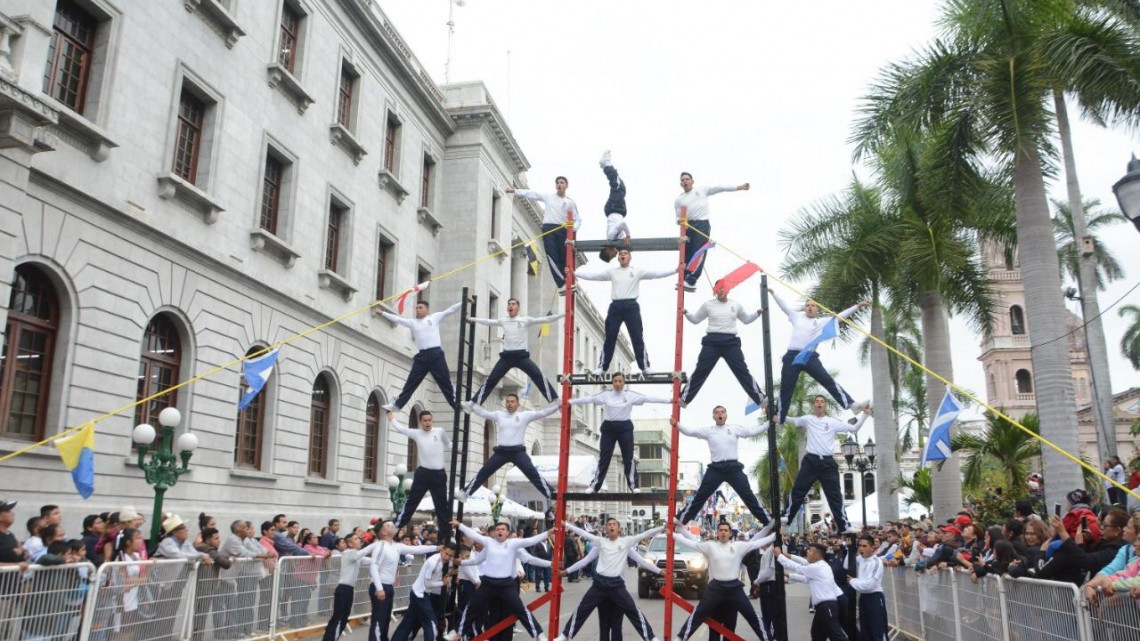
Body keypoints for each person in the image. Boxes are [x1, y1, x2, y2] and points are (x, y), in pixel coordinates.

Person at [769, 288, 869, 424]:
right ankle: (780, 416)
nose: (810, 307)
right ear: (805, 308)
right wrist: (772, 292)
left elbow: (840, 317)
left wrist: (857, 306)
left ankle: (852, 405)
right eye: (808, 305)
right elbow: (783, 306)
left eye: (813, 305)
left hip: (809, 356)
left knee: (827, 380)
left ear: (817, 310)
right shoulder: (796, 317)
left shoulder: (822, 322)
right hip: (792, 356)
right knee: (786, 387)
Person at [553, 519, 663, 641]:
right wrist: (566, 571)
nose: (611, 526)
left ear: (619, 529)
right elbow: (583, 537)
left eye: (614, 524)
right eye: (609, 525)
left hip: (617, 585)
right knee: (582, 610)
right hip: (599, 584)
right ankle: (565, 635)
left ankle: (651, 638)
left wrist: (660, 571)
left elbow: (644, 538)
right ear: (606, 529)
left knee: (633, 612)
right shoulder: (600, 542)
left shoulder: (626, 542)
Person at [576, 249, 679, 375]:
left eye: (625, 254)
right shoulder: (613, 272)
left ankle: (645, 367)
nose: (622, 255)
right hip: (615, 306)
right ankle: (602, 368)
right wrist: (575, 274)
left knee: (637, 337)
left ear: (630, 257)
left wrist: (675, 270)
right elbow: (595, 276)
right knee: (610, 337)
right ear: (618, 258)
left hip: (631, 306)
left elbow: (655, 274)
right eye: (620, 254)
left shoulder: (636, 271)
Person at [783, 396, 871, 533]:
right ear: (814, 405)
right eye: (817, 402)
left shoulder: (832, 422)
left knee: (835, 496)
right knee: (798, 490)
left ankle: (844, 526)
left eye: (822, 402)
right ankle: (787, 518)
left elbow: (854, 428)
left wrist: (865, 415)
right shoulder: (808, 419)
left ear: (825, 406)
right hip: (811, 460)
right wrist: (778, 416)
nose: (819, 403)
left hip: (828, 462)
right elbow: (791, 420)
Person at [570, 373, 670, 493]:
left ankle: (634, 486)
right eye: (615, 381)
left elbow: (648, 398)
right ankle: (595, 485)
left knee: (628, 457)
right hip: (608, 428)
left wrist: (668, 400)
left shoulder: (630, 396)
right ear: (612, 383)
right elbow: (590, 399)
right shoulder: (606, 395)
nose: (617, 384)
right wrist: (571, 402)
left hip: (625, 427)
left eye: (620, 381)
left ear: (624, 383)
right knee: (604, 458)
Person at [672, 407, 772, 526]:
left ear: (726, 415)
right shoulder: (708, 430)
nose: (720, 414)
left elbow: (751, 432)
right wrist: (676, 424)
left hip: (734, 468)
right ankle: (681, 519)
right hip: (716, 468)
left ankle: (768, 521)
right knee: (701, 495)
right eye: (717, 413)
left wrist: (769, 423)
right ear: (713, 416)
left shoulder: (734, 428)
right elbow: (690, 432)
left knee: (748, 496)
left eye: (722, 412)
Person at [453, 520, 551, 641]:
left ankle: (538, 634)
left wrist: (548, 537)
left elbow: (530, 543)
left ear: (508, 533)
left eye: (502, 529)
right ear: (494, 532)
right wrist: (460, 526)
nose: (499, 531)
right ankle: (458, 633)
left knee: (520, 610)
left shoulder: (513, 544)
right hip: (488, 584)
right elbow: (475, 538)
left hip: (506, 585)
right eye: (497, 529)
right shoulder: (489, 542)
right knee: (472, 606)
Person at [674, 523, 774, 641]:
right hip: (716, 588)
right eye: (720, 530)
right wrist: (674, 535)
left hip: (734, 589)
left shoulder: (738, 546)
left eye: (726, 530)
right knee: (698, 614)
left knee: (752, 616)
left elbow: (757, 542)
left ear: (730, 533)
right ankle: (680, 638)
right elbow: (692, 543)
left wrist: (775, 535)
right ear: (717, 533)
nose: (723, 532)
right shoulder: (710, 546)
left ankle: (769, 639)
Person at [457, 395, 559, 506]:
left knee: (532, 474)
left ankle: (551, 493)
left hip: (518, 452)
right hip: (501, 452)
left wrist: (557, 406)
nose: (509, 404)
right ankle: (465, 494)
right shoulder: (500, 415)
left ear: (518, 404)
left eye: (512, 402)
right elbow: (484, 413)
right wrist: (470, 406)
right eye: (508, 401)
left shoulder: (524, 415)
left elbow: (542, 413)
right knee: (484, 472)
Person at [680, 284, 765, 408]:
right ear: (715, 291)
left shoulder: (735, 305)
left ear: (727, 289)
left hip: (730, 342)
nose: (720, 290)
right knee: (701, 370)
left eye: (722, 288)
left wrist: (757, 313)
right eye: (718, 288)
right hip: (712, 341)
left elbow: (746, 320)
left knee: (741, 370)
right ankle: (684, 398)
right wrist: (686, 313)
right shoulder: (708, 305)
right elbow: (695, 320)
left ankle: (760, 398)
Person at [468, 299, 563, 405]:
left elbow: (546, 319)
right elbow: (487, 321)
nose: (510, 306)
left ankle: (555, 400)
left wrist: (564, 314)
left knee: (537, 375)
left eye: (513, 304)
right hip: (506, 357)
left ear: (518, 307)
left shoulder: (525, 320)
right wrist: (472, 319)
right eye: (509, 304)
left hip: (521, 356)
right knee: (491, 380)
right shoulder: (503, 320)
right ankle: (472, 404)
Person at [380, 300, 463, 410]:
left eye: (420, 308)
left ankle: (456, 404)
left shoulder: (434, 318)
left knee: (444, 380)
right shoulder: (413, 322)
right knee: (411, 381)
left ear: (427, 310)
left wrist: (463, 301)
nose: (418, 310)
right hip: (422, 356)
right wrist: (382, 313)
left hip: (435, 354)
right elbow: (398, 319)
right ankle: (397, 405)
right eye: (417, 308)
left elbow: (450, 310)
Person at [673, 173, 750, 292]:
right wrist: (680, 221)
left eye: (687, 179)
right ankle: (686, 278)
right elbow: (677, 218)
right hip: (688, 226)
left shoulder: (702, 190)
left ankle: (692, 279)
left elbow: (721, 188)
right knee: (687, 252)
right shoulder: (679, 199)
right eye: (683, 180)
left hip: (701, 224)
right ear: (680, 184)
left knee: (699, 250)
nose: (685, 181)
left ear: (692, 181)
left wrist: (739, 187)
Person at [368, 520, 441, 641]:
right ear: (384, 532)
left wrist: (436, 547)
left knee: (385, 620)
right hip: (380, 586)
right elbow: (374, 566)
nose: (393, 526)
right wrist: (379, 588)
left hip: (388, 587)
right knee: (379, 621)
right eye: (389, 525)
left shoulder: (396, 546)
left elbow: (417, 549)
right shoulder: (380, 546)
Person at [390, 410, 454, 541]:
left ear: (432, 420)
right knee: (411, 503)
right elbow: (401, 429)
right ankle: (395, 528)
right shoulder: (417, 433)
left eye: (429, 420)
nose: (427, 423)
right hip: (423, 473)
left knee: (442, 507)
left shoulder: (439, 431)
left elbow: (447, 443)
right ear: (421, 422)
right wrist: (391, 418)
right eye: (425, 421)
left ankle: (446, 538)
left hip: (439, 474)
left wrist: (457, 448)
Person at [507, 177, 580, 293]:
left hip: (563, 230)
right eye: (557, 183)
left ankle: (570, 280)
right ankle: (561, 283)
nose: (559, 185)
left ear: (566, 186)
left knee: (565, 256)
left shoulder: (570, 202)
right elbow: (533, 194)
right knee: (552, 257)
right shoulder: (549, 197)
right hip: (549, 229)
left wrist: (572, 229)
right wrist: (515, 191)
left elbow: (577, 219)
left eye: (562, 183)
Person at [774, 544, 849, 641]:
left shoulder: (819, 567)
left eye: (810, 551)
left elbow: (798, 567)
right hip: (822, 607)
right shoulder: (818, 566)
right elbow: (806, 578)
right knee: (817, 634)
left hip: (827, 606)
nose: (807, 553)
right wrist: (789, 576)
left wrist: (779, 556)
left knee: (836, 635)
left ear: (816, 555)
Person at [322, 532, 377, 641]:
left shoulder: (356, 555)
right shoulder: (349, 553)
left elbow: (372, 561)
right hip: (343, 589)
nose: (359, 540)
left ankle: (329, 638)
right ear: (350, 544)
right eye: (356, 539)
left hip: (349, 590)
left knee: (343, 618)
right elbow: (362, 553)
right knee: (339, 618)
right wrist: (376, 544)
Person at [849, 535, 888, 641]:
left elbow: (868, 586)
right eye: (859, 545)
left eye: (864, 546)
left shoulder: (876, 562)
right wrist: (849, 548)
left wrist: (852, 581)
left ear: (872, 548)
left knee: (877, 632)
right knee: (865, 632)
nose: (861, 548)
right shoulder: (860, 559)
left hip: (875, 598)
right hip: (863, 598)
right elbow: (846, 564)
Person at [597, 151, 632, 263]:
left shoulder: (611, 237)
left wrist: (628, 236)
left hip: (614, 208)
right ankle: (605, 165)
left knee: (618, 186)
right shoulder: (616, 242)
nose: (614, 255)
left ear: (608, 251)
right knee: (620, 187)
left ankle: (606, 165)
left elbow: (622, 224)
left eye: (612, 256)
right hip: (616, 209)